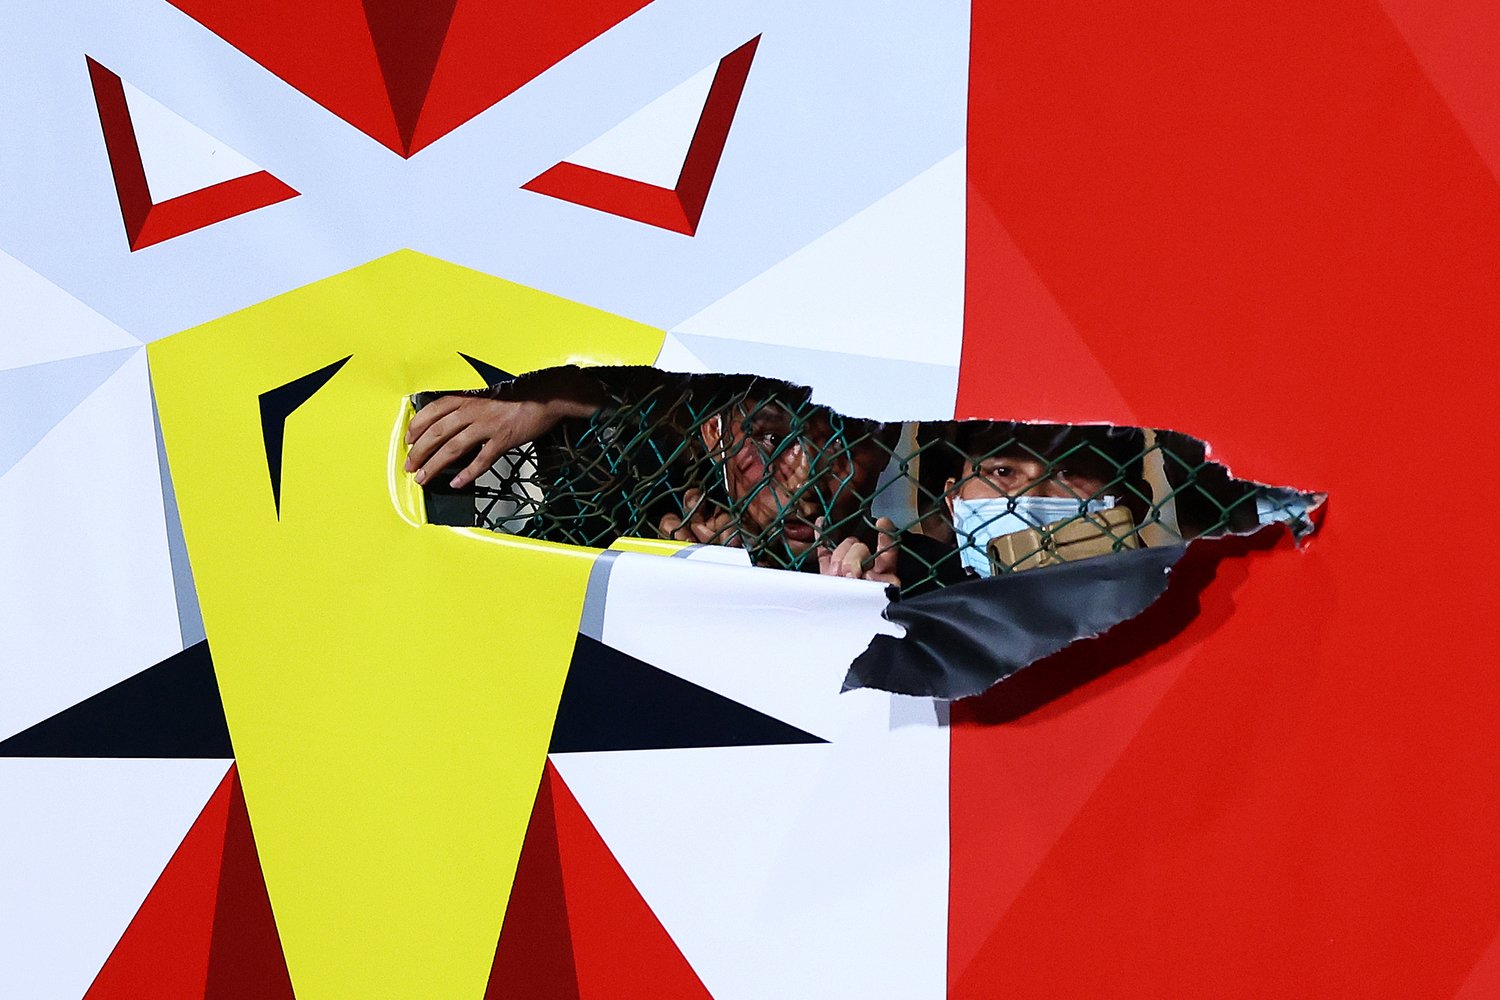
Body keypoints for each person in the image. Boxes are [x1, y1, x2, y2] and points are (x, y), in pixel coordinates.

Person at [404, 366, 899, 580]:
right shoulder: (633, 517)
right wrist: (550, 397)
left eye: (846, 445)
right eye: (771, 440)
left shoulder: (906, 572)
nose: (804, 480)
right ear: (714, 434)